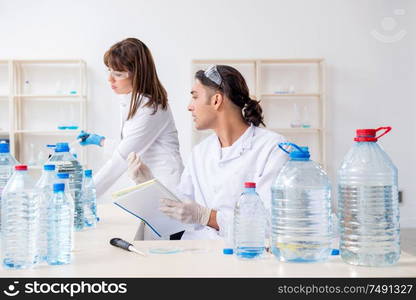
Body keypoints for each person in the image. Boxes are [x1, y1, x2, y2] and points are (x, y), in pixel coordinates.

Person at [128, 65, 288, 239]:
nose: (189, 107)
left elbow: (270, 224)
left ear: (216, 100)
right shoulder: (201, 152)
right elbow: (181, 212)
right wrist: (149, 185)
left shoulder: (272, 148)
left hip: (245, 255)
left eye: (195, 97)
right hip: (197, 252)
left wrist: (208, 217)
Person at [77, 38, 183, 238]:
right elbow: (132, 146)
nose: (110, 79)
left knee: (163, 260)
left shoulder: (151, 108)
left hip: (167, 191)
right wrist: (100, 141)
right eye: (109, 71)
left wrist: (83, 197)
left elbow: (121, 159)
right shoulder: (132, 101)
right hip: (150, 189)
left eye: (117, 74)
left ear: (138, 75)